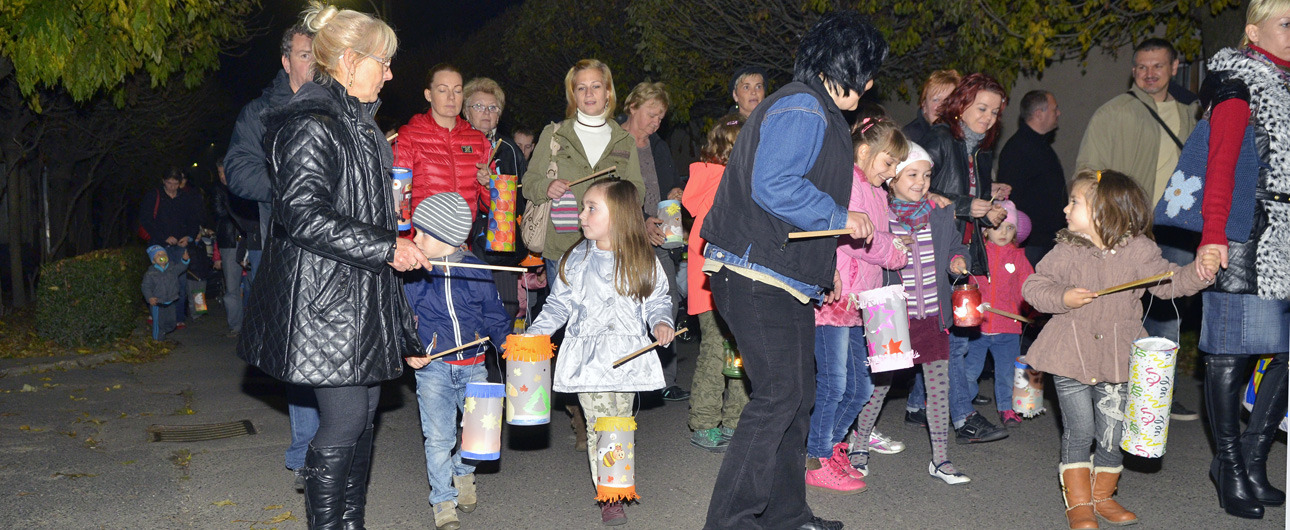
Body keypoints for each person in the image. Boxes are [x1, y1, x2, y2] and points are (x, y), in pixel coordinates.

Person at [237, 4, 431, 527]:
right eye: (382, 62)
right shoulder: (310, 122)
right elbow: (302, 215)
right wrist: (386, 247)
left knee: (363, 419)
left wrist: (402, 324)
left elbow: (367, 220)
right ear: (348, 60)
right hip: (326, 303)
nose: (389, 74)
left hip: (359, 297)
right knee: (344, 420)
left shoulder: (359, 124)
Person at [698, 10, 886, 530]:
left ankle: (785, 515)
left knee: (796, 398)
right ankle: (729, 522)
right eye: (867, 72)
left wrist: (823, 271)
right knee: (779, 395)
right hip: (755, 272)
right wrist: (839, 217)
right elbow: (775, 185)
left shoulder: (815, 108)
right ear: (843, 64)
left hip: (784, 277)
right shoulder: (803, 106)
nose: (870, 84)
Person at [1022, 169, 1218, 529]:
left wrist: (1199, 272)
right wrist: (1062, 297)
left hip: (1117, 357)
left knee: (1113, 430)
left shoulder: (1139, 250)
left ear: (1104, 209)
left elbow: (1168, 282)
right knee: (1081, 429)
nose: (1065, 208)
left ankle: (1103, 496)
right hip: (1069, 354)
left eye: (1074, 202)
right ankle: (1079, 502)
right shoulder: (1066, 250)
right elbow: (1034, 286)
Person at [525, 179, 675, 526]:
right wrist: (535, 334)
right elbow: (557, 305)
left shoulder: (641, 258)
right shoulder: (575, 259)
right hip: (587, 359)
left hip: (626, 356)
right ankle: (610, 494)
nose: (581, 215)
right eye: (583, 207)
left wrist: (661, 322)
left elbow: (657, 299)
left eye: (591, 208)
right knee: (598, 424)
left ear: (618, 216)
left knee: (619, 422)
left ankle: (615, 483)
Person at [1195, 0, 1290, 519]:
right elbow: (1221, 166)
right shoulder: (1237, 82)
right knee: (1230, 351)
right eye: (1286, 23)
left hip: (1286, 236)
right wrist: (1213, 235)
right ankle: (1228, 465)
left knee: (1285, 352)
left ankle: (1253, 459)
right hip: (1244, 232)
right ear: (1254, 31)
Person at [521, 58, 644, 452]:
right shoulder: (555, 134)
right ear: (572, 94)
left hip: (610, 248)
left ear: (608, 92)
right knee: (571, 331)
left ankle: (609, 405)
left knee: (607, 327)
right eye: (581, 87)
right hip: (563, 245)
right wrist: (547, 187)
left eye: (596, 86)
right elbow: (529, 182)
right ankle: (580, 413)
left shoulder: (623, 139)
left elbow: (636, 191)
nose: (589, 93)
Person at [1076, 42, 1201, 405]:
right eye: (1142, 67)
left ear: (1174, 67)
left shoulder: (1191, 114)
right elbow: (1088, 171)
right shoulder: (1114, 112)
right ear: (1133, 71)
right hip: (1128, 229)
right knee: (1118, 310)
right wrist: (1101, 223)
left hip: (1177, 229)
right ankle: (1110, 387)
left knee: (1167, 313)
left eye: (1157, 66)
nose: (1149, 74)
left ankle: (1156, 395)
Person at [222, 24, 318, 488]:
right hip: (285, 249)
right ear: (286, 61)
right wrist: (288, 186)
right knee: (300, 354)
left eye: (318, 55)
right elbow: (238, 170)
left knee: (332, 350)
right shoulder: (261, 113)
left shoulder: (337, 104)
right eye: (304, 55)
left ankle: (333, 448)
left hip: (335, 248)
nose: (312, 63)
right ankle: (306, 453)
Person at [848, 142, 971, 485]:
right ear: (893, 179)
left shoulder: (939, 213)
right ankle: (859, 444)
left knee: (939, 390)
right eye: (912, 175)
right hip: (891, 316)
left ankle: (941, 459)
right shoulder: (880, 214)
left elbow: (957, 247)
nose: (921, 182)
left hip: (932, 314)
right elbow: (867, 253)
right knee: (880, 387)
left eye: (926, 175)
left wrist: (958, 260)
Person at [805, 113, 909, 494]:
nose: (893, 172)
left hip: (864, 303)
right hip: (836, 299)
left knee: (861, 388)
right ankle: (815, 458)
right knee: (833, 384)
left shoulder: (879, 192)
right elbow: (853, 237)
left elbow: (878, 236)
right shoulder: (847, 182)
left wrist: (892, 243)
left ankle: (831, 447)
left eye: (897, 166)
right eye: (889, 162)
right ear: (864, 152)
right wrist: (893, 251)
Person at [401, 193, 512, 530]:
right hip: (433, 369)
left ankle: (463, 472)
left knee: (480, 431)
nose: (415, 239)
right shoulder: (415, 274)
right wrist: (409, 349)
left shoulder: (476, 270)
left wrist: (506, 343)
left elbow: (494, 314)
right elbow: (402, 319)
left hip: (474, 365)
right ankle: (442, 499)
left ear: (449, 238)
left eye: (424, 233)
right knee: (439, 438)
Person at [918, 72, 1010, 445]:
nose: (988, 117)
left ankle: (923, 406)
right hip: (934, 252)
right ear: (961, 105)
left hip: (961, 255)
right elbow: (911, 190)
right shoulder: (939, 139)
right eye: (982, 108)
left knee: (952, 337)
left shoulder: (980, 150)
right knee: (951, 341)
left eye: (995, 112)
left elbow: (971, 203)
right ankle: (963, 417)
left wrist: (987, 212)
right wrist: (966, 205)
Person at [683, 114, 749, 452]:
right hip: (712, 281)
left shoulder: (738, 180)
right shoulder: (723, 181)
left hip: (737, 277)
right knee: (716, 350)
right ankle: (705, 421)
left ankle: (735, 421)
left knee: (739, 350)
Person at [621, 81, 689, 401]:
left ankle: (664, 380)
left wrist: (675, 193)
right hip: (624, 239)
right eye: (651, 114)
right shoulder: (614, 142)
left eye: (661, 116)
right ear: (633, 106)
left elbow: (670, 186)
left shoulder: (658, 146)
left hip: (659, 236)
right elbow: (612, 192)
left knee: (668, 301)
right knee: (628, 308)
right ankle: (629, 379)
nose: (656, 121)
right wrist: (641, 219)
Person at [461, 77, 528, 318]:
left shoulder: (509, 149)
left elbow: (521, 201)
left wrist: (495, 186)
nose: (486, 113)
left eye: (493, 107)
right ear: (466, 111)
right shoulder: (457, 144)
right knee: (469, 312)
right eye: (479, 106)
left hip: (501, 244)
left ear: (499, 115)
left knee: (504, 312)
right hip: (463, 241)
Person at [964, 200, 1034, 427]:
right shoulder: (978, 254)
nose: (1004, 233)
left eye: (1009, 228)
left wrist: (1033, 309)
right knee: (970, 372)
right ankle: (964, 408)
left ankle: (1006, 408)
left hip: (1008, 327)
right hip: (978, 327)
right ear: (985, 230)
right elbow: (966, 283)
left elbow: (1028, 287)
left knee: (1006, 373)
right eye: (997, 227)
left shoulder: (1018, 257)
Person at [395, 64, 493, 224]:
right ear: (428, 94)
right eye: (442, 90)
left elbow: (491, 206)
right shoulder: (410, 136)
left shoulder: (478, 140)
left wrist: (489, 185)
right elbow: (398, 198)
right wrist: (406, 236)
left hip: (462, 236)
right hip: (422, 235)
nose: (451, 97)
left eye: (457, 91)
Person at [997, 90, 1065, 267]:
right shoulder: (1017, 149)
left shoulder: (1041, 145)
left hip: (1046, 241)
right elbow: (1010, 199)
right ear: (1039, 114)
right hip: (1032, 244)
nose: (1058, 113)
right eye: (1054, 109)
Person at [138, 166, 205, 328]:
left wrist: (188, 237)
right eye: (169, 183)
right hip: (160, 246)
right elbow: (146, 220)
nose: (172, 187)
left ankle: (178, 317)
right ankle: (157, 314)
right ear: (163, 181)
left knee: (179, 282)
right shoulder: (154, 195)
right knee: (158, 281)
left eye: (175, 184)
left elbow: (193, 220)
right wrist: (164, 237)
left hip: (180, 246)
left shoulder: (185, 198)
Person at [212, 159, 255, 337]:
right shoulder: (218, 190)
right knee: (232, 287)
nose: (223, 176)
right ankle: (236, 325)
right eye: (219, 173)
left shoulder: (247, 187)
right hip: (229, 242)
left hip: (250, 241)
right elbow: (220, 212)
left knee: (253, 282)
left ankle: (252, 322)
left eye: (225, 172)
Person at [142, 245, 189, 341]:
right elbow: (145, 286)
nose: (161, 256)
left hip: (170, 301)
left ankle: (163, 332)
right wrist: (149, 297)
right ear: (153, 261)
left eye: (163, 254)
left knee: (172, 323)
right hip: (157, 303)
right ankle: (157, 340)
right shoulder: (150, 273)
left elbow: (182, 267)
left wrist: (185, 260)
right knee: (158, 324)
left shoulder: (172, 269)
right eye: (158, 255)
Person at [903, 70, 960, 144]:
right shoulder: (909, 138)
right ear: (924, 105)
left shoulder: (962, 134)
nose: (942, 106)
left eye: (948, 100)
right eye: (936, 100)